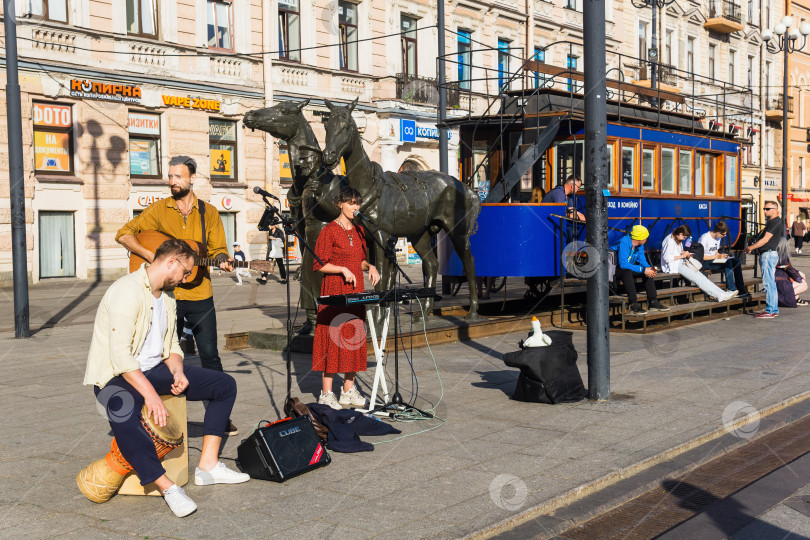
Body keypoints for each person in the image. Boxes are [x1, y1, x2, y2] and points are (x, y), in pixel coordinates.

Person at [83, 239, 249, 518]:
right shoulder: (126, 291)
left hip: (153, 370)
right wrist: (150, 396)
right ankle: (167, 487)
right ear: (171, 263)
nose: (186, 278)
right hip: (114, 377)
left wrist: (178, 371)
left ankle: (208, 466)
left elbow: (172, 344)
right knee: (123, 412)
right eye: (185, 272)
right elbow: (121, 357)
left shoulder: (168, 296)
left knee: (223, 385)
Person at [116, 155, 238, 435]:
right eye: (170, 176)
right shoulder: (159, 209)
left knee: (210, 356)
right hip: (166, 299)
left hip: (200, 296)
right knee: (160, 357)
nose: (172, 181)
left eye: (178, 177)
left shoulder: (209, 213)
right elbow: (124, 234)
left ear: (192, 179)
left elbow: (219, 249)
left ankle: (219, 417)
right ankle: (160, 417)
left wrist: (223, 260)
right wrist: (153, 257)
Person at [312, 186, 380, 409]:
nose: (355, 207)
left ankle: (348, 390)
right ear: (340, 204)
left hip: (355, 291)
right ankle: (327, 393)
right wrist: (341, 269)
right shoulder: (328, 231)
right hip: (334, 290)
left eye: (357, 203)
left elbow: (358, 260)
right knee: (332, 339)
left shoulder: (359, 231)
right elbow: (319, 265)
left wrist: (369, 266)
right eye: (351, 203)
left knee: (353, 339)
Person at [662, 224, 738, 303]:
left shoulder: (677, 239)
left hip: (681, 262)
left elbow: (676, 253)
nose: (684, 239)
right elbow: (667, 258)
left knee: (702, 277)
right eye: (684, 237)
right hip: (674, 265)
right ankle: (718, 295)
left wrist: (684, 253)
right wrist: (682, 255)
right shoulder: (669, 241)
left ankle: (722, 293)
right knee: (698, 279)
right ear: (680, 234)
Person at [612, 225, 669, 315]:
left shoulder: (640, 245)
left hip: (627, 267)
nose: (646, 240)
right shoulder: (625, 242)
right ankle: (633, 304)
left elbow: (642, 260)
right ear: (640, 238)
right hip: (614, 269)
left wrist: (649, 269)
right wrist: (643, 269)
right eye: (645, 238)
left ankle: (653, 302)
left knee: (646, 271)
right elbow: (623, 264)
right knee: (627, 272)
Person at [745, 201, 783, 319]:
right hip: (770, 254)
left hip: (768, 254)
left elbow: (765, 240)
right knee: (771, 283)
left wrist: (751, 247)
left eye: (767, 209)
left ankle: (771, 310)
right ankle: (773, 309)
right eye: (764, 209)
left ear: (775, 210)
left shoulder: (774, 222)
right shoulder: (775, 222)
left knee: (768, 283)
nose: (765, 211)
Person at [699, 221, 750, 299]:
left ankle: (741, 289)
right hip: (705, 262)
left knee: (736, 261)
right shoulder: (704, 238)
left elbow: (715, 253)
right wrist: (716, 257)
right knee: (728, 263)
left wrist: (721, 256)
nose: (724, 236)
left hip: (713, 260)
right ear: (718, 232)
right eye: (723, 234)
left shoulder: (718, 238)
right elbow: (701, 257)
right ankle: (731, 289)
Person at [775, 238, 808, 307]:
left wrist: (799, 272)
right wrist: (800, 278)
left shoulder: (774, 255)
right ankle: (783, 298)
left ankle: (796, 299)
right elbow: (790, 270)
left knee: (799, 277)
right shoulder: (782, 257)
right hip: (780, 281)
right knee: (804, 285)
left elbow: (789, 269)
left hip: (778, 279)